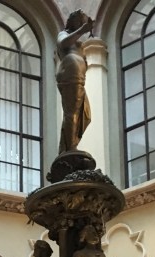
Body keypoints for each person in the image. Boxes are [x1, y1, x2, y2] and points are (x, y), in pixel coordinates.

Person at [55, 10, 94, 154]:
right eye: (79, 21)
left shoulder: (79, 43)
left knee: (85, 115)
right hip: (70, 72)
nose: (80, 24)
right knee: (72, 112)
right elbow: (63, 43)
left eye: (82, 22)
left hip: (78, 76)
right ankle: (70, 148)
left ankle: (66, 147)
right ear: (71, 22)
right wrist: (82, 30)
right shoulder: (63, 34)